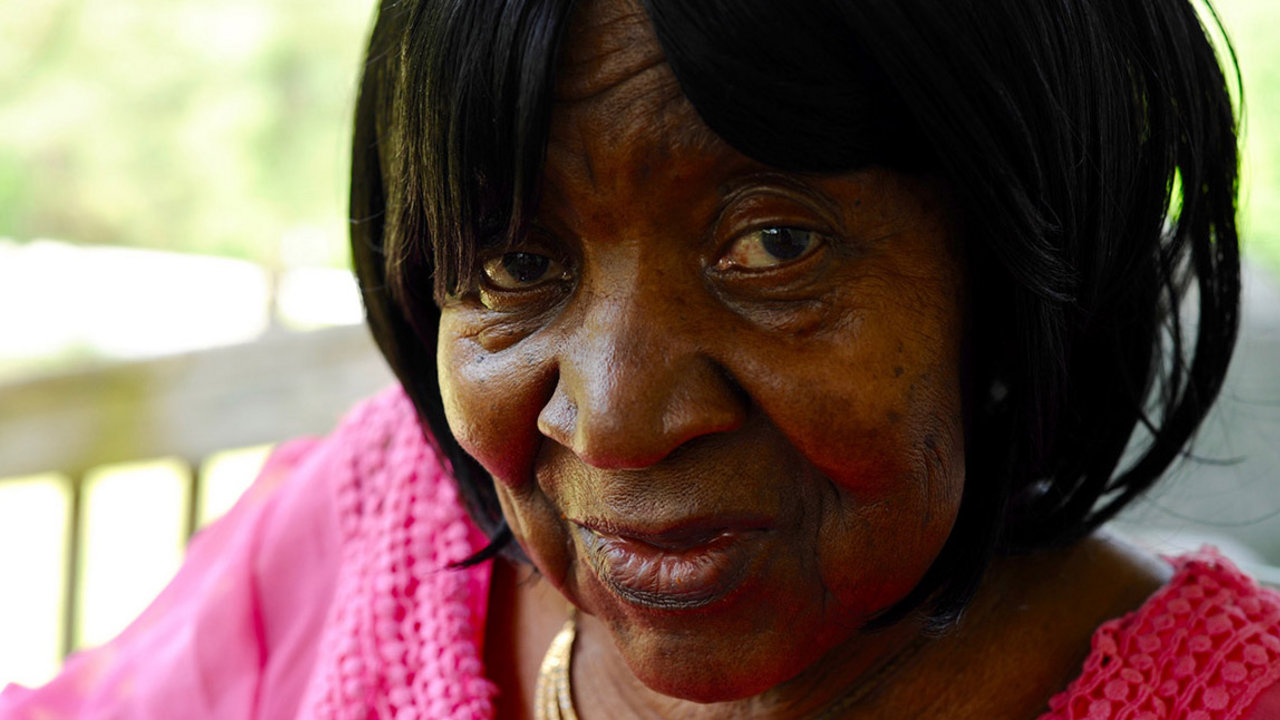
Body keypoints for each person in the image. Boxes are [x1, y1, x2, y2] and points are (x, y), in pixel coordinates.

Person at [1, 0, 1273, 717]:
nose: (611, 420)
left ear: (1022, 268)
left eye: (773, 245)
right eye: (513, 263)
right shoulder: (368, 526)